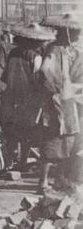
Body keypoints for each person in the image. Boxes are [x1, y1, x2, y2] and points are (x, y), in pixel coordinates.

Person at [37, 14, 83, 193]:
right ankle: (43, 182)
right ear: (67, 33)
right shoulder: (54, 49)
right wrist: (57, 90)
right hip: (56, 102)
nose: (78, 35)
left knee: (67, 141)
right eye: (76, 32)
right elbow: (45, 70)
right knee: (52, 141)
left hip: (66, 101)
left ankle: (59, 179)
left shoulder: (65, 49)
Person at [0, 23, 53, 172]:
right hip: (29, 98)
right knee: (28, 131)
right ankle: (22, 161)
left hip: (11, 96)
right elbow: (38, 78)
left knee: (12, 130)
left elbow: (5, 77)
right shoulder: (36, 57)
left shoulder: (13, 53)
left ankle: (9, 161)